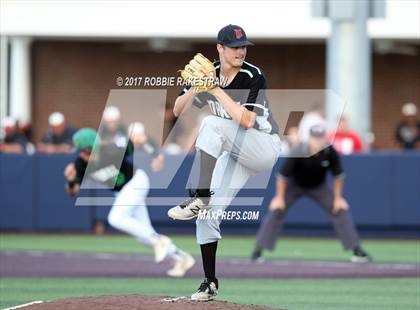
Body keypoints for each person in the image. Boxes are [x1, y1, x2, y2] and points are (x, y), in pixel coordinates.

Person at [167, 24, 281, 301]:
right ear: (220, 48)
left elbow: (247, 122)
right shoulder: (208, 74)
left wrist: (215, 90)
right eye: (234, 46)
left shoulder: (253, 75)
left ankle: (201, 195)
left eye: (243, 46)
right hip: (235, 152)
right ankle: (209, 282)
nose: (240, 51)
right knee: (207, 216)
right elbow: (177, 111)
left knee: (211, 124)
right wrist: (195, 87)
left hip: (262, 145)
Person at [64, 128, 195, 278]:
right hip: (123, 192)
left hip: (136, 182)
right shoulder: (80, 164)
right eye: (79, 152)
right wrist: (69, 180)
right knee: (144, 238)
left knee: (115, 218)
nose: (82, 155)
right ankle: (182, 257)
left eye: (85, 151)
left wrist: (156, 155)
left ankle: (160, 241)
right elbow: (73, 192)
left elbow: (138, 139)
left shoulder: (111, 151)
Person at [251, 125, 371, 264]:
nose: (317, 142)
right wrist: (279, 198)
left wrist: (338, 198)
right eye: (314, 139)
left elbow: (338, 176)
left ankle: (357, 250)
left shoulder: (329, 151)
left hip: (319, 186)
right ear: (309, 139)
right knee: (277, 209)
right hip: (295, 186)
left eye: (320, 139)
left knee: (340, 209)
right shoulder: (298, 150)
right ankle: (258, 250)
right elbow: (283, 177)